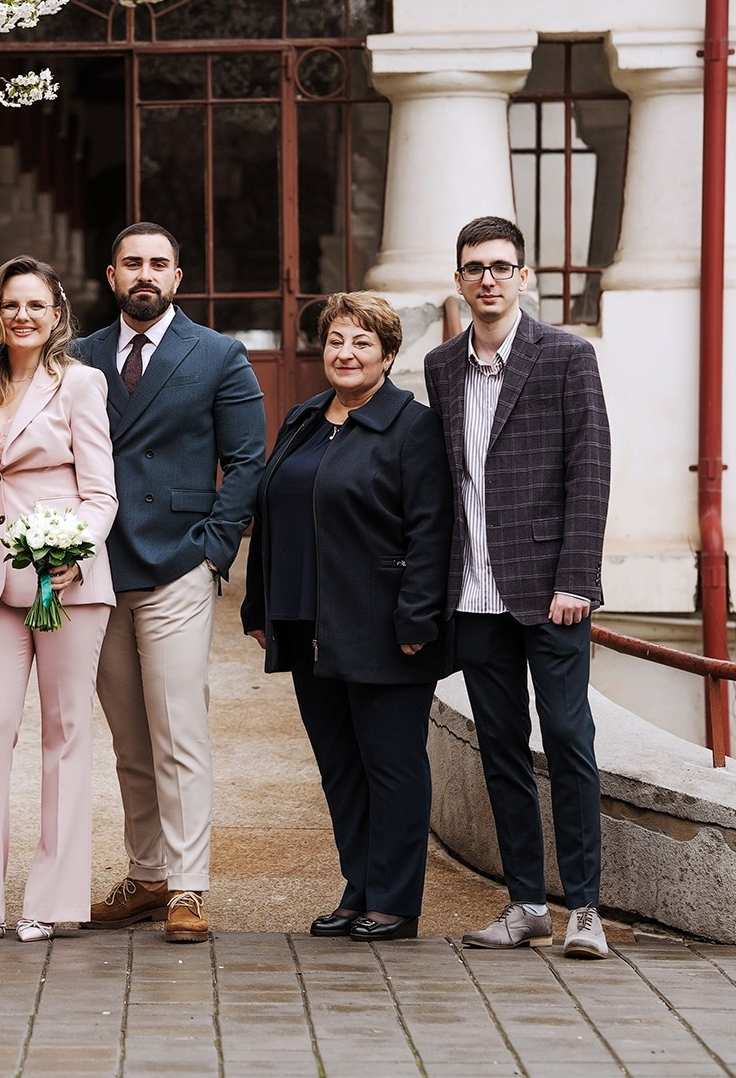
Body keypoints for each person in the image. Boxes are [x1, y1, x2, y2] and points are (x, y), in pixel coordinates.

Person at [423, 216, 613, 960]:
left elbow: (589, 470)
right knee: (499, 745)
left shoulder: (565, 355)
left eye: (502, 267)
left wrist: (577, 578)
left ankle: (587, 909)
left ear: (524, 277)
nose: (488, 279)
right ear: (460, 278)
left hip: (549, 591)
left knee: (568, 739)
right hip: (473, 594)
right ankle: (527, 902)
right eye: (474, 267)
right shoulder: (442, 366)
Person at [72, 222, 266, 944]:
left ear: (178, 278)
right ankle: (147, 873)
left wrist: (214, 552)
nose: (145, 273)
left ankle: (188, 886)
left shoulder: (218, 353)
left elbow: (247, 460)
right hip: (96, 568)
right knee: (129, 736)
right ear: (112, 274)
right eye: (133, 263)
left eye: (159, 263)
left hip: (178, 563)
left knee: (179, 729)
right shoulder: (79, 355)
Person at [241, 293, 454, 943]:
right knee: (340, 763)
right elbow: (271, 511)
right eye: (336, 340)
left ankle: (394, 900)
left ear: (389, 355)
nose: (346, 353)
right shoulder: (306, 417)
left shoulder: (413, 426)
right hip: (308, 622)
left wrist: (418, 617)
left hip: (385, 624)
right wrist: (259, 604)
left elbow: (432, 527)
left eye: (363, 342)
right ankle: (360, 886)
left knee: (391, 765)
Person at [0, 257, 118, 942]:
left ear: (57, 315)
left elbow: (100, 490)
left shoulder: (80, 383)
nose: (23, 315)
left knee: (65, 732)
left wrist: (70, 552)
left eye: (36, 305)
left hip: (68, 582)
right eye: (10, 304)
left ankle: (51, 900)